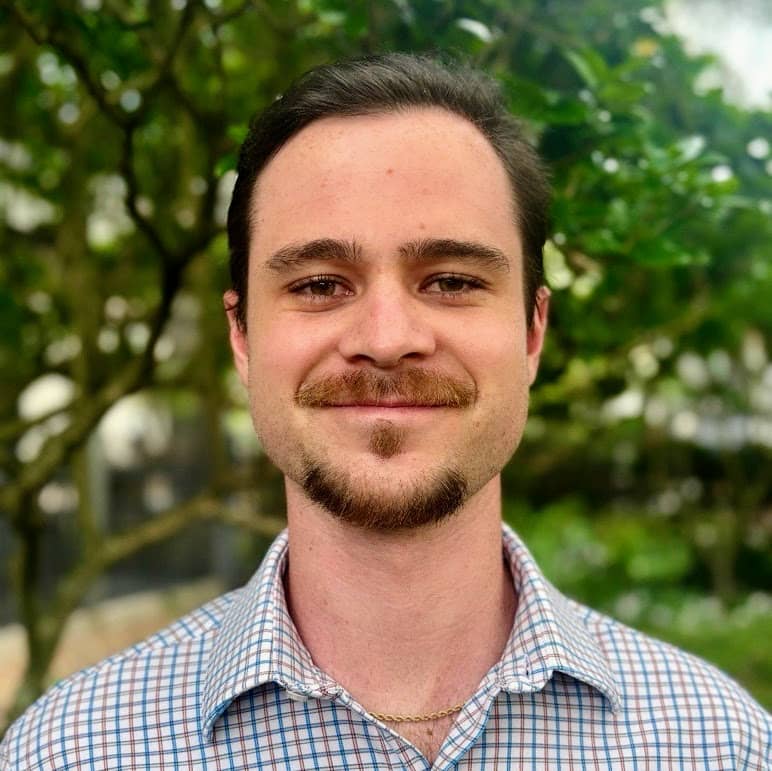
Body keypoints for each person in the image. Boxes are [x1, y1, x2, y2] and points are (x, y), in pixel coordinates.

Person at [1, 52, 769, 770]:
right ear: (241, 335)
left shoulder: (722, 744)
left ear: (533, 331)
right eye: (319, 284)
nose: (387, 340)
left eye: (452, 280)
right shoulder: (67, 751)